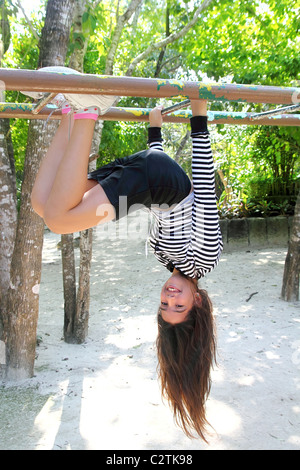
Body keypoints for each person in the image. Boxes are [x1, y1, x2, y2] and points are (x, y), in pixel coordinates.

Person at [31, 98, 223, 441]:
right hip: (156, 181)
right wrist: (198, 116)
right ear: (197, 302)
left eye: (165, 306)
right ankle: (87, 106)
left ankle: (69, 113)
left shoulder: (170, 261)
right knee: (59, 221)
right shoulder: (205, 257)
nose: (169, 297)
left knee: (43, 203)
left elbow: (162, 180)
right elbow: (203, 189)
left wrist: (154, 130)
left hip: (151, 176)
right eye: (178, 306)